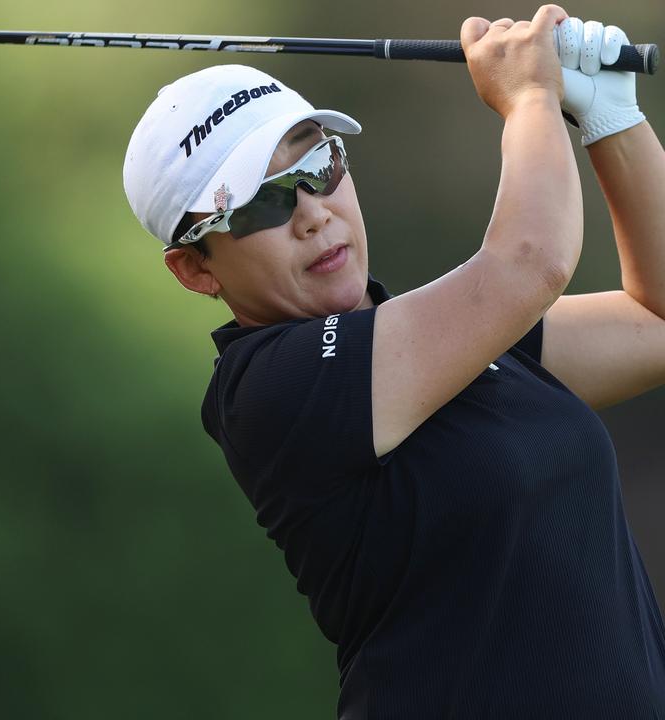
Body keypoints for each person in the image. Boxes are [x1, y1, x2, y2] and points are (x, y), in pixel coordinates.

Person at [122, 5, 665, 717]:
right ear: (196, 270)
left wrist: (611, 123)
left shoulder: (458, 344)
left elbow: (655, 322)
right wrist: (530, 97)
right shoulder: (267, 390)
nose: (313, 213)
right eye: (258, 207)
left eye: (319, 164)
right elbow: (528, 264)